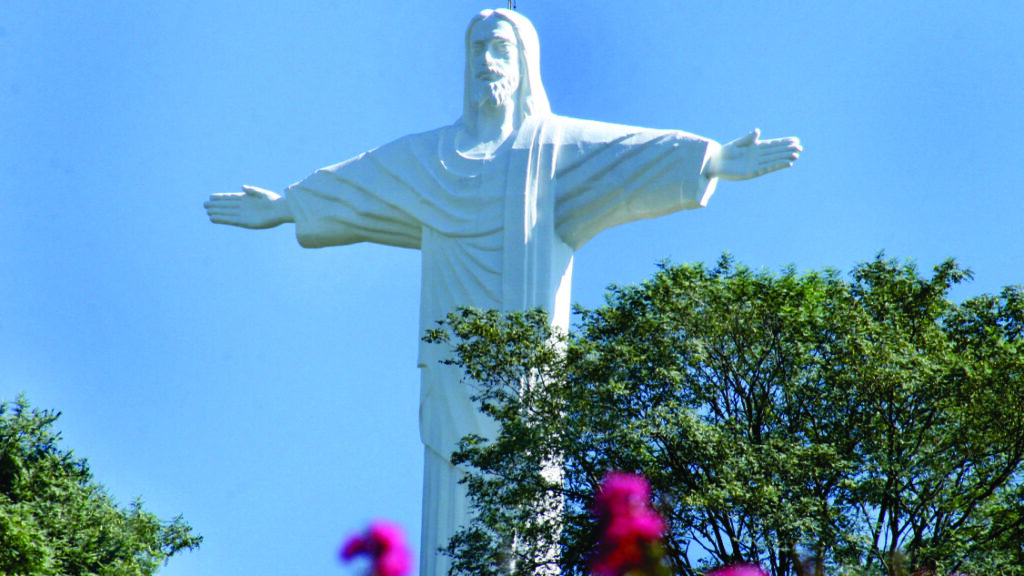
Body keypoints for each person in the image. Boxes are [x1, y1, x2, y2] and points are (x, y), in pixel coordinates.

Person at [205, 9, 801, 576]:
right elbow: (366, 181)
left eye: (500, 49)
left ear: (523, 65)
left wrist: (712, 159)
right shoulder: (429, 160)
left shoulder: (551, 152)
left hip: (527, 382)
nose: (487, 61)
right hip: (451, 378)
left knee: (527, 501)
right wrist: (288, 208)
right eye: (477, 49)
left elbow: (627, 156)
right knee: (452, 498)